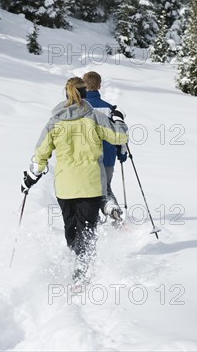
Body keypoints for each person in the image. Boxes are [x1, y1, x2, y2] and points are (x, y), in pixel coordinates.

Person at [21, 77, 128, 285]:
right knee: (87, 231)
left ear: (66, 94)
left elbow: (40, 154)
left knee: (72, 231)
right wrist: (119, 119)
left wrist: (30, 178)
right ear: (85, 93)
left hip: (65, 188)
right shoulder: (95, 118)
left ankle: (77, 265)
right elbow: (119, 137)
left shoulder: (54, 122)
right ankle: (82, 273)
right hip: (90, 186)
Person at [82, 71, 127, 220]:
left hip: (85, 158)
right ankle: (114, 213)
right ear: (99, 86)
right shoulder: (110, 109)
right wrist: (122, 154)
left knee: (86, 190)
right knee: (105, 187)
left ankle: (93, 220)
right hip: (107, 157)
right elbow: (120, 135)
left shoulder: (78, 108)